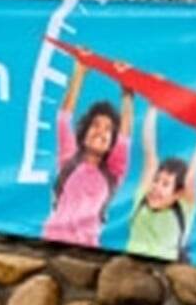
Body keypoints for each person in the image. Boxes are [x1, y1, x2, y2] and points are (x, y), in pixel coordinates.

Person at [41, 60, 132, 247]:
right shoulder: (69, 159)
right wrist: (79, 73)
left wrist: (127, 95)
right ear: (84, 133)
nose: (100, 131)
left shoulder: (113, 173)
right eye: (95, 125)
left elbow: (124, 137)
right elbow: (63, 119)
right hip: (53, 241)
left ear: (111, 143)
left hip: (86, 248)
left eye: (108, 129)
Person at [124, 102, 196, 262]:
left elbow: (191, 175)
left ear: (178, 193)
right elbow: (149, 150)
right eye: (156, 181)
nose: (156, 187)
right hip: (132, 263)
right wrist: (153, 107)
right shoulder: (143, 197)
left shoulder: (185, 207)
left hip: (165, 268)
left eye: (165, 184)